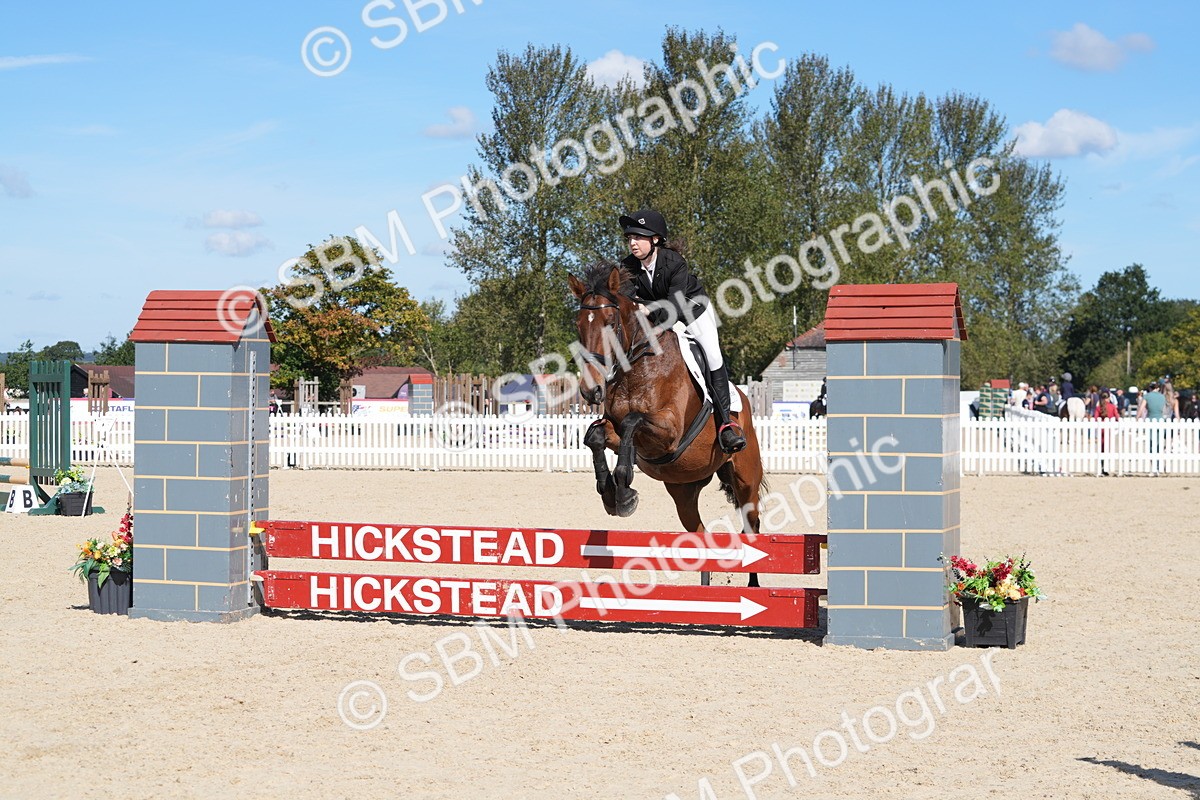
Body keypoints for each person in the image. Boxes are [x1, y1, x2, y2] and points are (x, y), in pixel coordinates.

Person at [618, 208, 746, 453]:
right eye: (630, 238)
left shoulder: (674, 262)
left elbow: (674, 306)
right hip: (657, 316)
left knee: (712, 356)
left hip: (692, 312)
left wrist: (645, 308)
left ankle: (725, 425)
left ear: (655, 239)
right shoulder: (628, 266)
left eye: (638, 237)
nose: (632, 243)